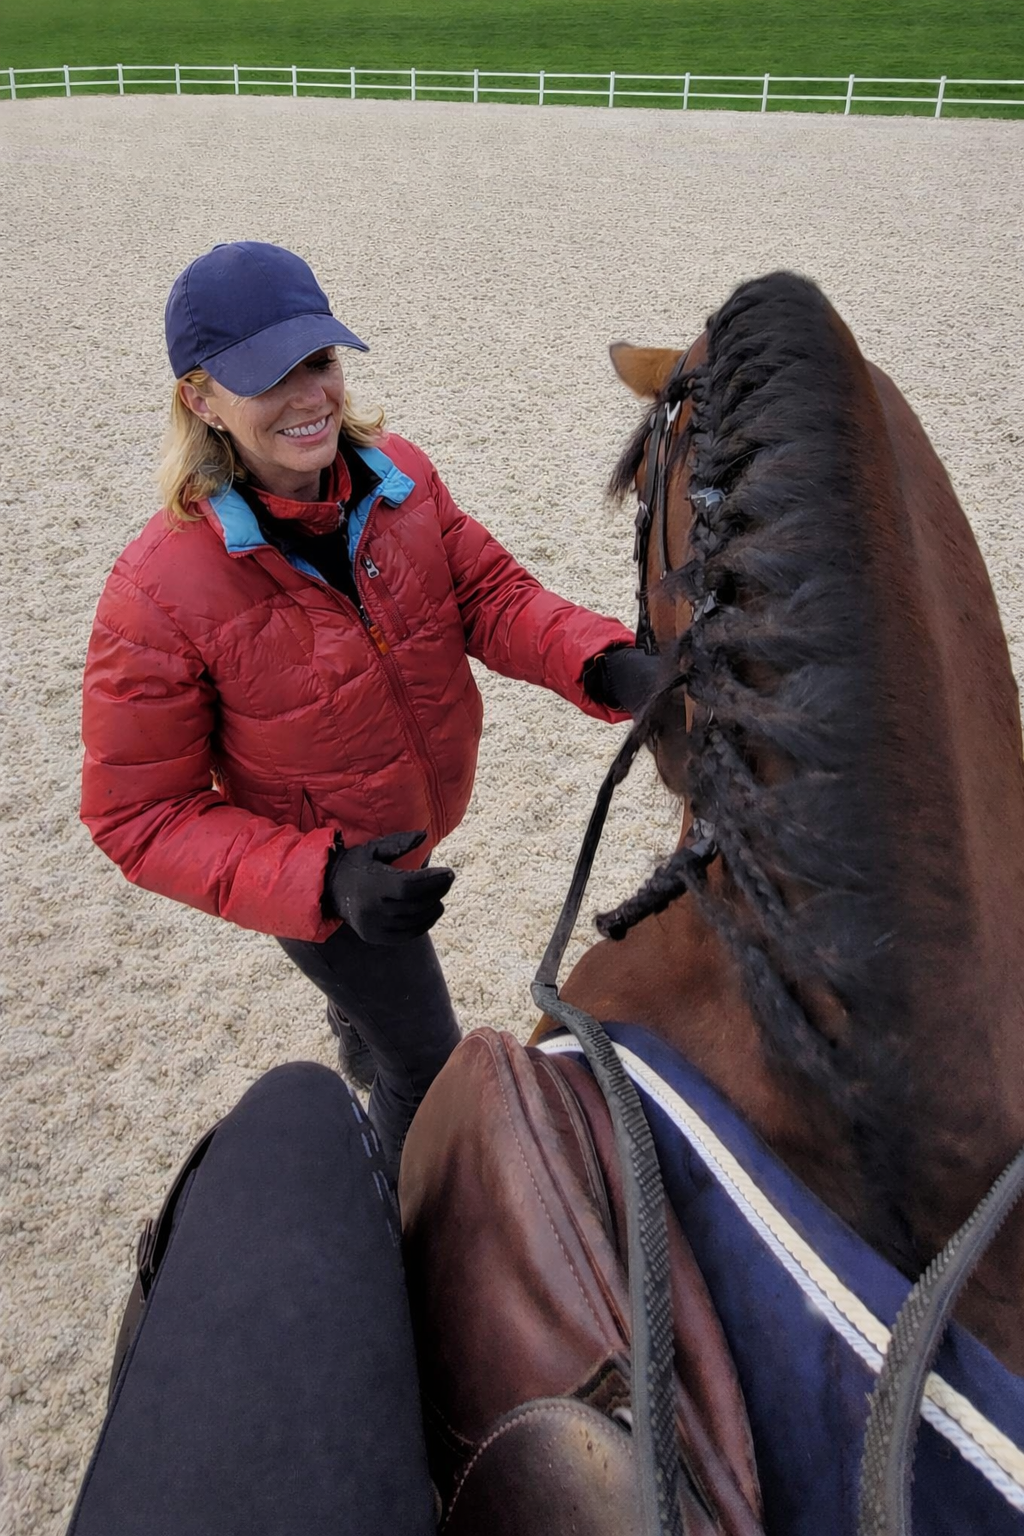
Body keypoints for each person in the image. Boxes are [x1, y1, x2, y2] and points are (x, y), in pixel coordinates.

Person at [80, 241, 657, 1172]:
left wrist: (608, 664)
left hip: (402, 831)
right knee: (424, 1067)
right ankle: (397, 1236)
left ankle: (353, 1015)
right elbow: (135, 814)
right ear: (199, 398)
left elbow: (487, 597)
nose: (310, 396)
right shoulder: (156, 594)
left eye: (320, 361)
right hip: (324, 878)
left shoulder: (400, 479)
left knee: (378, 1021)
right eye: (268, 376)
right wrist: (324, 883)